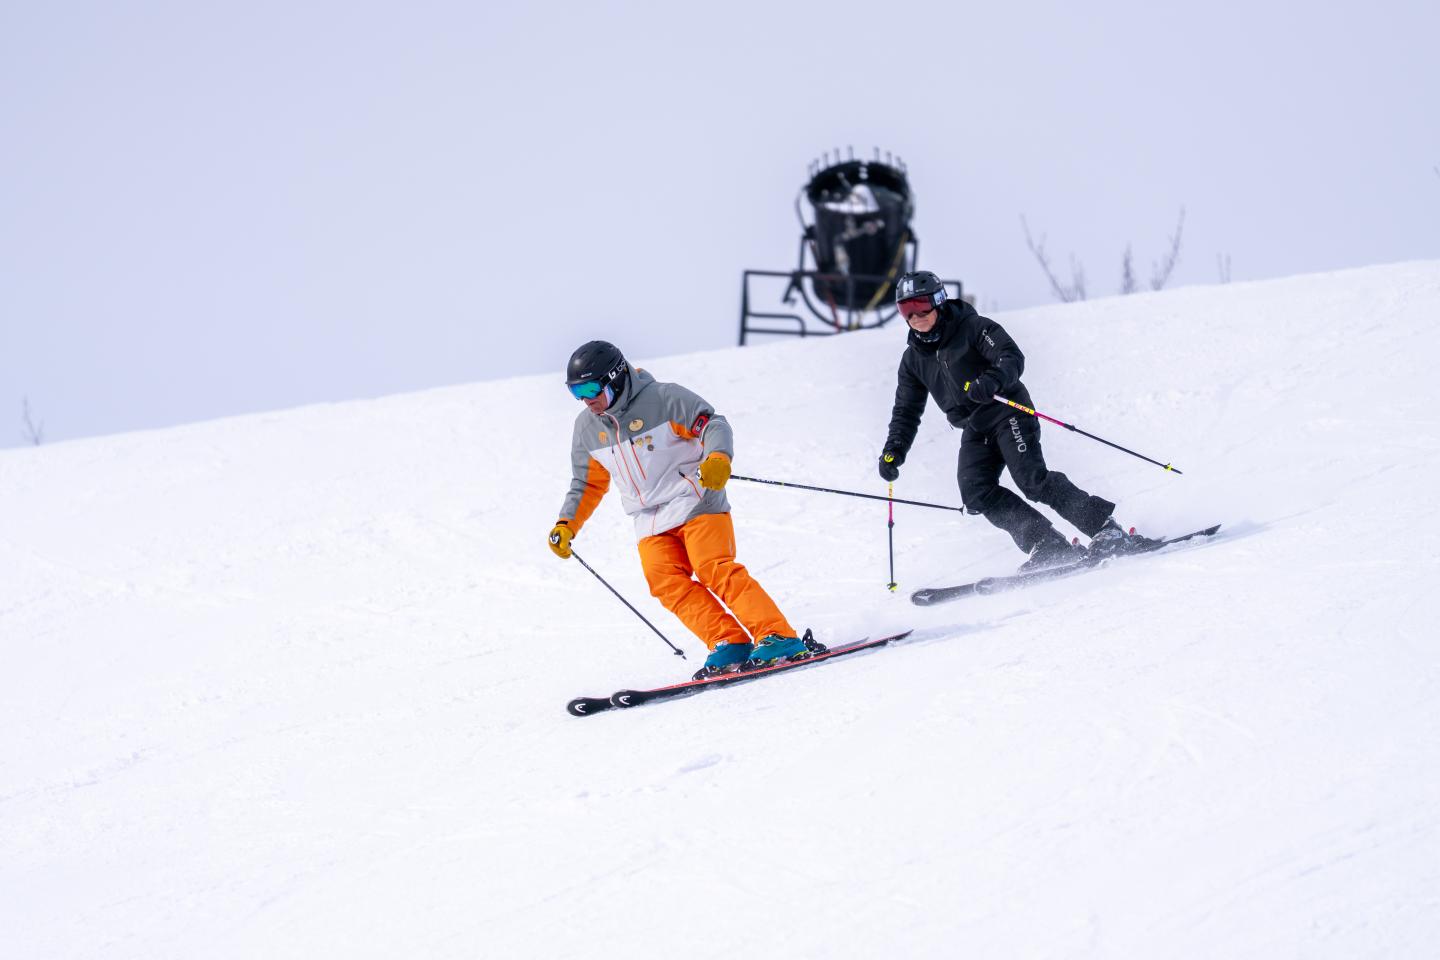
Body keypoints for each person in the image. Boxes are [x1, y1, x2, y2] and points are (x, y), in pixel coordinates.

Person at [548, 340, 815, 678]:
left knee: (713, 567)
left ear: (614, 378)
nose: (586, 400)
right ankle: (728, 642)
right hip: (648, 519)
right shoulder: (587, 429)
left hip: (695, 499)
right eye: (576, 392)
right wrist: (566, 524)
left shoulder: (663, 399)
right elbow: (587, 483)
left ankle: (777, 636)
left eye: (589, 388)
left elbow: (713, 424)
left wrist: (718, 457)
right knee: (664, 581)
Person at [877, 271, 1154, 571]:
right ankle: (1046, 543)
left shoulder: (973, 328)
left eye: (920, 305)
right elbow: (906, 411)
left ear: (939, 301)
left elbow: (1011, 357)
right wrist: (894, 450)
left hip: (1007, 411)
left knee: (1032, 481)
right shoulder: (913, 360)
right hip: (974, 426)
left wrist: (990, 381)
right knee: (976, 493)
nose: (915, 316)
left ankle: (1105, 529)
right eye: (906, 310)